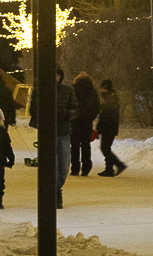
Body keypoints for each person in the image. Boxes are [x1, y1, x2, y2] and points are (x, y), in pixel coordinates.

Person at [29, 68, 77, 208]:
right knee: (52, 164)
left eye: (57, 75)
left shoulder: (67, 91)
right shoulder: (38, 91)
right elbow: (33, 110)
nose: (55, 78)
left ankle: (56, 188)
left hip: (63, 131)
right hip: (47, 132)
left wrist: (66, 114)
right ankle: (56, 193)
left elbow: (76, 110)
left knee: (63, 165)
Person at [71, 72, 100, 176]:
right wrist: (89, 117)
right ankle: (86, 167)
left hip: (74, 121)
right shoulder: (92, 91)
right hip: (86, 122)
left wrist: (72, 116)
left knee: (74, 145)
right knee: (86, 145)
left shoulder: (73, 89)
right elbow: (97, 107)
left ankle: (75, 167)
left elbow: (70, 104)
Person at [96, 78, 126, 177]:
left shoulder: (110, 99)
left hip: (108, 127)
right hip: (109, 127)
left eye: (103, 89)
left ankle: (116, 165)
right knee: (105, 147)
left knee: (105, 148)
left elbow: (106, 115)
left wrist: (100, 126)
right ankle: (110, 168)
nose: (102, 91)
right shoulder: (111, 98)